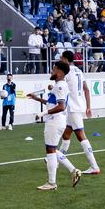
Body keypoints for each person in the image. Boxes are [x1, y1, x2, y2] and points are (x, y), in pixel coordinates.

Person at [28, 62, 81, 190]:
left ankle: (52, 183)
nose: (52, 72)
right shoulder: (59, 86)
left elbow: (61, 106)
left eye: (54, 69)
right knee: (53, 150)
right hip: (57, 121)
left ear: (60, 72)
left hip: (55, 120)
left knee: (50, 151)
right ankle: (73, 170)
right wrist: (37, 99)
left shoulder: (60, 86)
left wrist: (43, 113)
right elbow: (53, 103)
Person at [58, 51, 100, 174]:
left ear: (65, 59)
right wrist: (88, 107)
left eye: (61, 58)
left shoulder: (66, 72)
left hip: (72, 107)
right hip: (78, 106)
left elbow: (61, 88)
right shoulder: (78, 71)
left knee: (81, 136)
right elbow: (86, 89)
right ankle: (57, 160)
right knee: (66, 135)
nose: (60, 59)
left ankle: (94, 166)